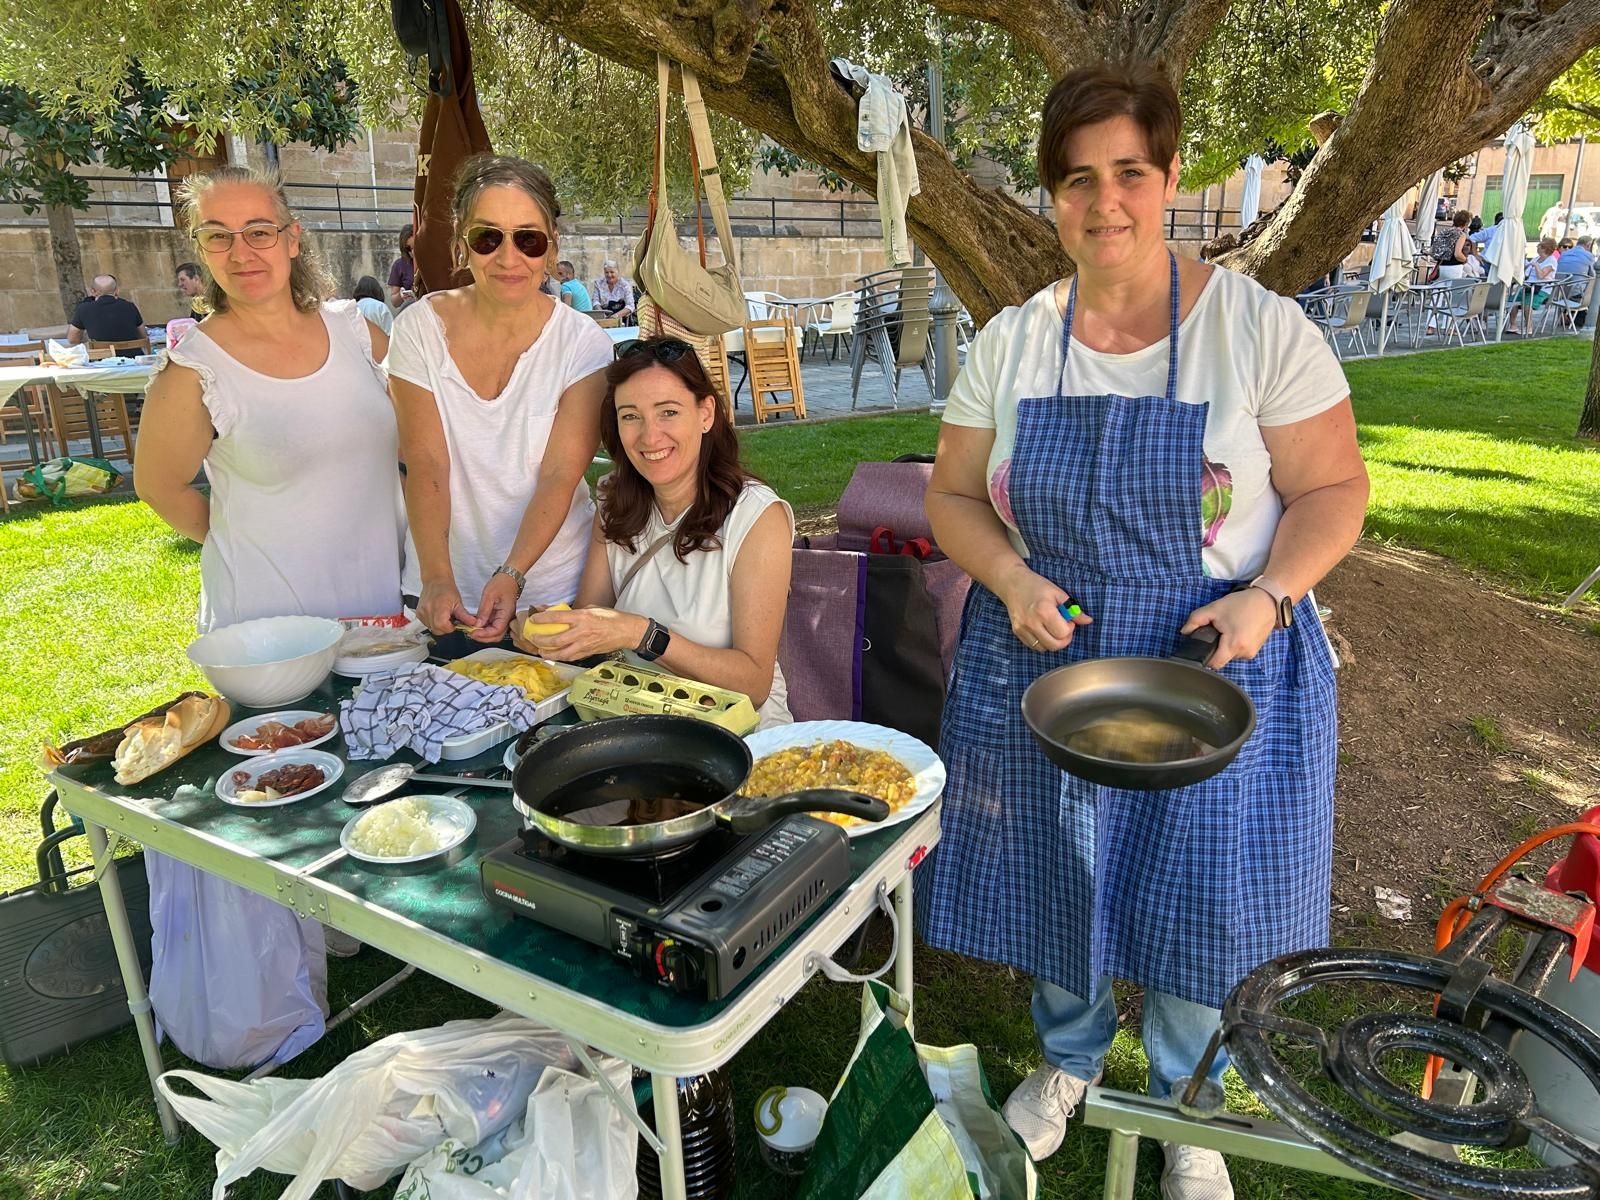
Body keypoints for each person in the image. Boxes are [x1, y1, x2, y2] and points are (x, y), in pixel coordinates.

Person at [921, 62, 1368, 1200]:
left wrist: (1265, 596)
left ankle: (1188, 1109)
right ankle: (1068, 1065)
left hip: (1213, 655)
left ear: (1171, 177)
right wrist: (1011, 579)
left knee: (1197, 890)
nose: (1102, 201)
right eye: (1076, 179)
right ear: (1051, 198)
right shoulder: (1013, 342)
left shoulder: (1258, 331)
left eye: (1129, 171)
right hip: (1051, 649)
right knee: (1056, 874)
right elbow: (952, 499)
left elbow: (1333, 493)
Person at [132, 165, 406, 1051]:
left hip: (368, 603)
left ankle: (347, 921)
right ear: (199, 252)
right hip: (270, 619)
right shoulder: (196, 363)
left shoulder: (361, 333)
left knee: (358, 769)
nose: (242, 250)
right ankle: (269, 996)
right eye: (219, 235)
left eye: (259, 230)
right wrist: (247, 533)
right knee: (273, 796)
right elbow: (160, 484)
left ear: (293, 238)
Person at [388, 154, 613, 647]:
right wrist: (437, 576)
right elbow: (424, 462)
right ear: (461, 243)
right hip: (440, 590)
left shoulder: (582, 343)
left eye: (527, 239)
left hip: (551, 592)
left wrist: (513, 573)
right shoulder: (417, 330)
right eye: (488, 237)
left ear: (552, 247)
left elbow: (561, 474)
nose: (509, 258)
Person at [515, 338, 794, 726]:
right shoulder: (615, 501)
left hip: (736, 736)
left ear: (705, 414)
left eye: (668, 412)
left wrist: (642, 634)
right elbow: (590, 616)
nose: (649, 436)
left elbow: (754, 683)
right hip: (628, 717)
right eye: (630, 416)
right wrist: (554, 632)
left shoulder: (757, 516)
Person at [68, 274, 147, 345]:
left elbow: (73, 339)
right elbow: (142, 336)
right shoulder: (130, 307)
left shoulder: (84, 309)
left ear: (93, 291)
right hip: (133, 357)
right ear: (116, 291)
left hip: (101, 359)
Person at [1508, 237, 1560, 335]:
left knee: (1528, 305)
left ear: (1544, 248)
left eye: (1539, 245)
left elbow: (1541, 276)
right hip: (1528, 286)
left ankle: (1528, 327)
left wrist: (1535, 265)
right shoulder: (1536, 258)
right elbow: (1526, 274)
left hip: (1542, 288)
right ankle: (1513, 325)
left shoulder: (1551, 260)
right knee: (1512, 301)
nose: (1537, 247)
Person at [1430, 210, 1472, 280]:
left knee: (1439, 289)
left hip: (1441, 266)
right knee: (1452, 290)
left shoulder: (1445, 232)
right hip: (1454, 267)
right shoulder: (1461, 234)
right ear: (1466, 223)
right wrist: (1465, 260)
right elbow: (1457, 254)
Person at [388, 222, 416, 308]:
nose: (413, 252)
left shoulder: (430, 262)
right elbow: (394, 301)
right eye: (409, 248)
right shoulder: (399, 265)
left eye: (415, 246)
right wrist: (401, 295)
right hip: (411, 310)